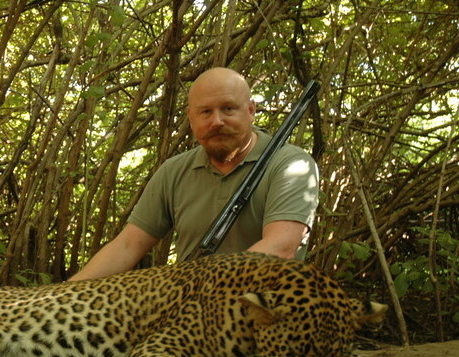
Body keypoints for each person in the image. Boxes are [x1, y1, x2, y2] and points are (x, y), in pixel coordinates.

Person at [70, 67, 319, 281]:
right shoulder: (174, 171)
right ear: (191, 118)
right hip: (191, 308)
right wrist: (63, 294)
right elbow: (127, 246)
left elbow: (280, 248)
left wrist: (196, 286)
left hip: (264, 308)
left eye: (228, 108)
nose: (217, 121)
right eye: (205, 112)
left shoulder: (291, 165)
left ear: (251, 110)